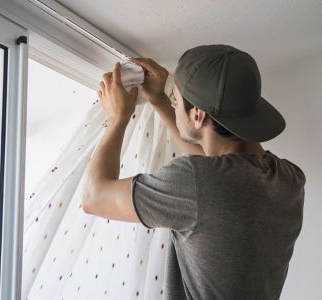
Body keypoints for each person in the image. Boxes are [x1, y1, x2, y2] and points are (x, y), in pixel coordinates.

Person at [81, 45, 306, 300]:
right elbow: (217, 171)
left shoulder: (198, 181)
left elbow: (93, 197)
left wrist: (118, 118)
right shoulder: (290, 179)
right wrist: (159, 99)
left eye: (175, 100)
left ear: (198, 115)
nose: (173, 103)